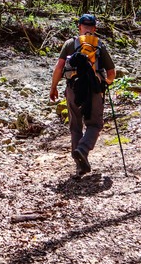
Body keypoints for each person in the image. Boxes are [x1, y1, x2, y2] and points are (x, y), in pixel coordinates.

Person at [49, 13, 116, 176]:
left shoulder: (70, 44)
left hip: (73, 87)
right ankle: (83, 150)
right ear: (94, 28)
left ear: (79, 27)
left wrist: (53, 87)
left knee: (75, 125)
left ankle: (79, 166)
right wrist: (105, 84)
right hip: (93, 88)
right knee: (95, 124)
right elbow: (112, 72)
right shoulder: (99, 45)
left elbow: (59, 67)